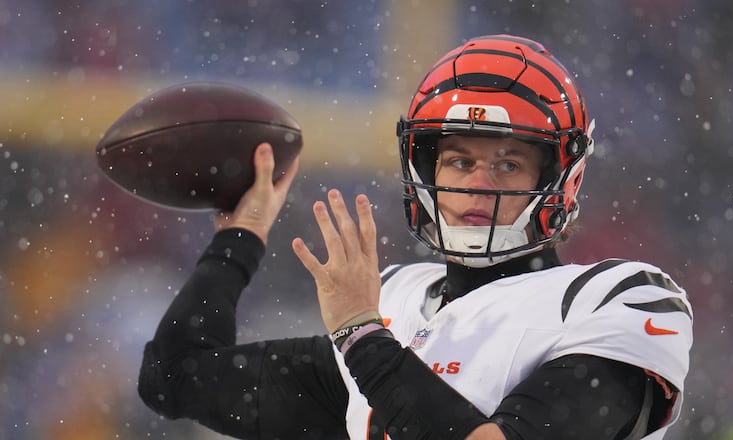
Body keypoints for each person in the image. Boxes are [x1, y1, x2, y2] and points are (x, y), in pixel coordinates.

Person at [137, 35, 693, 440]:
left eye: (507, 164)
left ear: (557, 178)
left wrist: (361, 336)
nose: (478, 185)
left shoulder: (617, 299)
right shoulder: (399, 300)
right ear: (426, 172)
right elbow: (175, 378)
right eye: (458, 160)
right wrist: (240, 237)